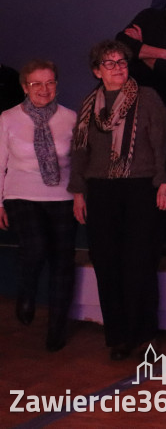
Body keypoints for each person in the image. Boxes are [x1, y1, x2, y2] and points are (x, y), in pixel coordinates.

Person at [70, 40, 166, 361]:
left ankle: (144, 334)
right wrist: (78, 192)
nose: (117, 68)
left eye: (122, 62)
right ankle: (118, 336)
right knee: (106, 263)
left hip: (141, 188)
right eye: (109, 63)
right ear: (96, 71)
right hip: (101, 191)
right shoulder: (89, 105)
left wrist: (164, 182)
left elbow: (163, 144)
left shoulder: (147, 97)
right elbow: (79, 153)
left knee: (140, 261)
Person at [0, 60, 77, 352]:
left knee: (63, 263)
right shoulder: (8, 118)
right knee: (35, 248)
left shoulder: (70, 118)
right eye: (36, 84)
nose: (44, 89)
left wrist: (80, 195)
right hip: (21, 195)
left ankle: (56, 329)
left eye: (50, 82)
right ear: (25, 87)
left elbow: (78, 163)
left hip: (62, 197)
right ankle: (26, 291)